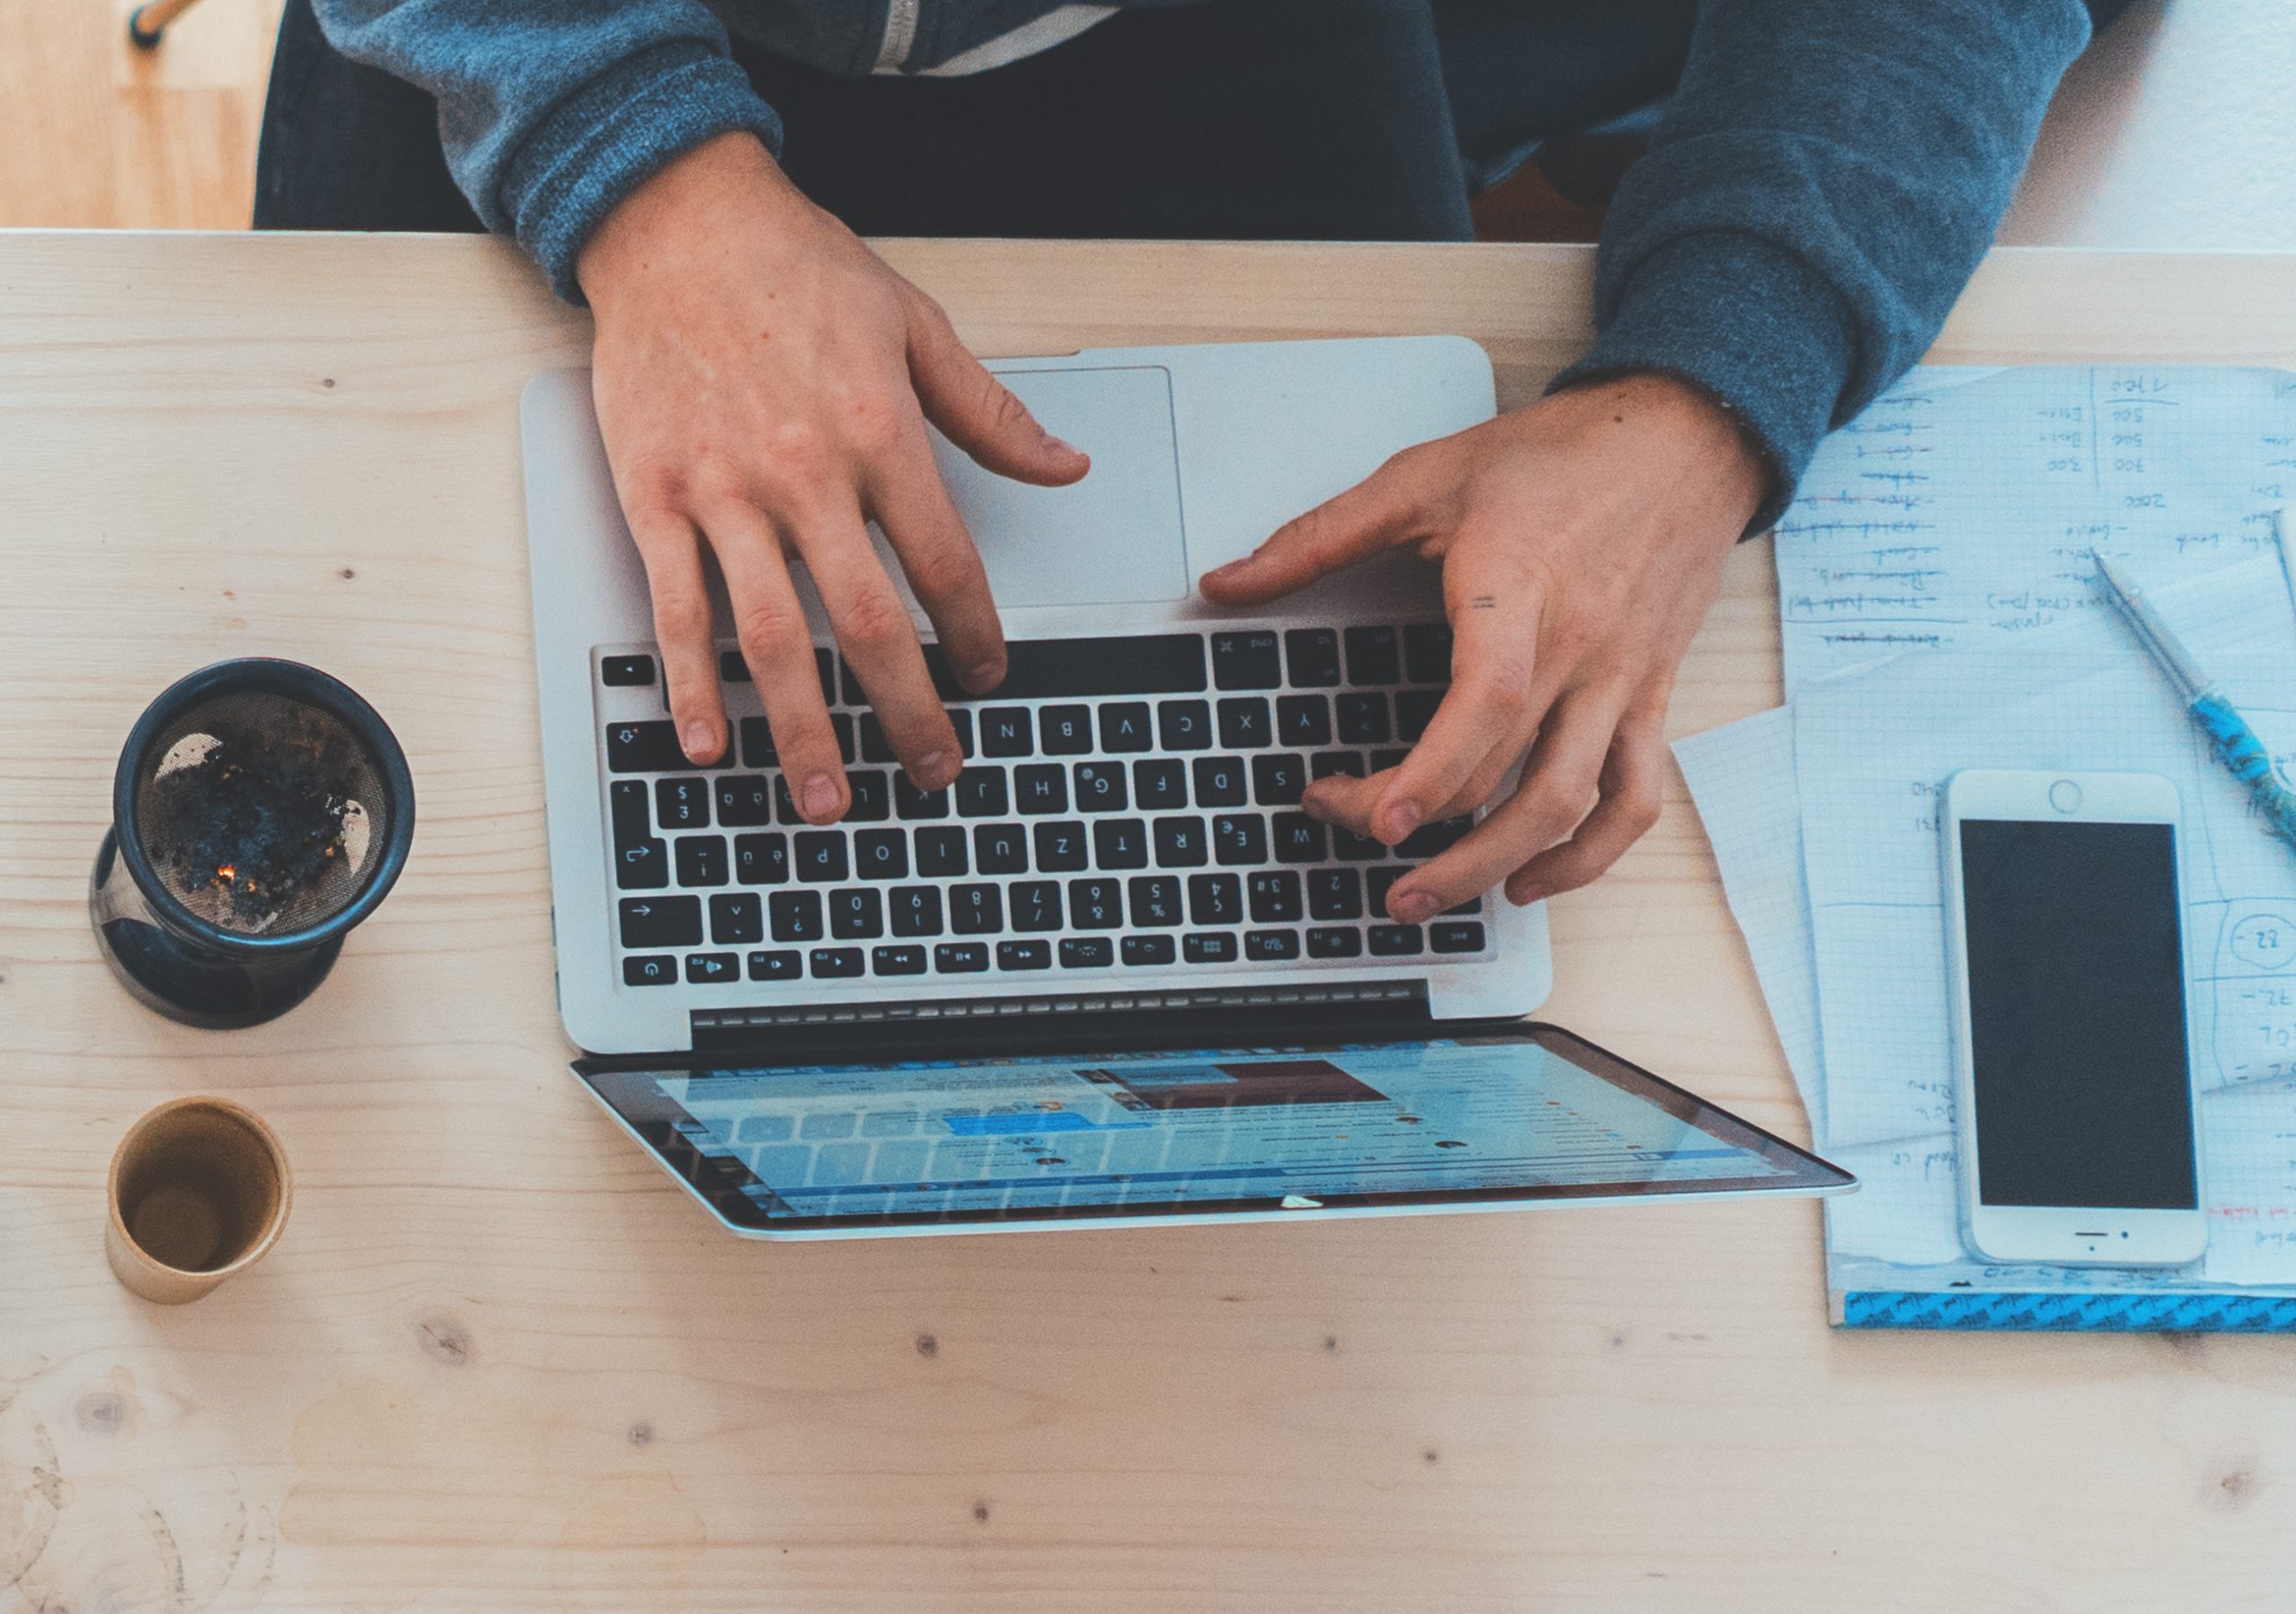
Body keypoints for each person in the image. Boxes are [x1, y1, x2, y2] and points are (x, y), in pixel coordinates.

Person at [257, 0, 2126, 924]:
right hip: (554, 51)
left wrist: (1715, 391)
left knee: (1354, 901)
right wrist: (627, 155)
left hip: (1230, 49)